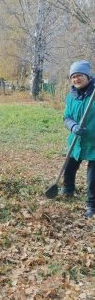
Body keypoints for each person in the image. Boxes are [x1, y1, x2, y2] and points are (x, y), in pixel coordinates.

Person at [62, 60, 95, 217]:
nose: (76, 79)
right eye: (73, 76)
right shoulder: (71, 96)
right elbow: (66, 117)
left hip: (94, 141)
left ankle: (92, 205)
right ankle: (67, 191)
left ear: (87, 76)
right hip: (76, 140)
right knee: (69, 167)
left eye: (79, 75)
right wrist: (73, 126)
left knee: (93, 176)